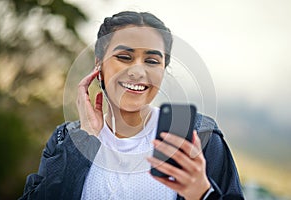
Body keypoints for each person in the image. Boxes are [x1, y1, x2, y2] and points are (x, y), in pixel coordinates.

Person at [20, 11, 244, 200]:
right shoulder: (65, 138)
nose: (138, 71)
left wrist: (203, 193)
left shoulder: (198, 137)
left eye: (152, 61)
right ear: (99, 64)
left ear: (163, 69)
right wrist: (86, 137)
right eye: (125, 57)